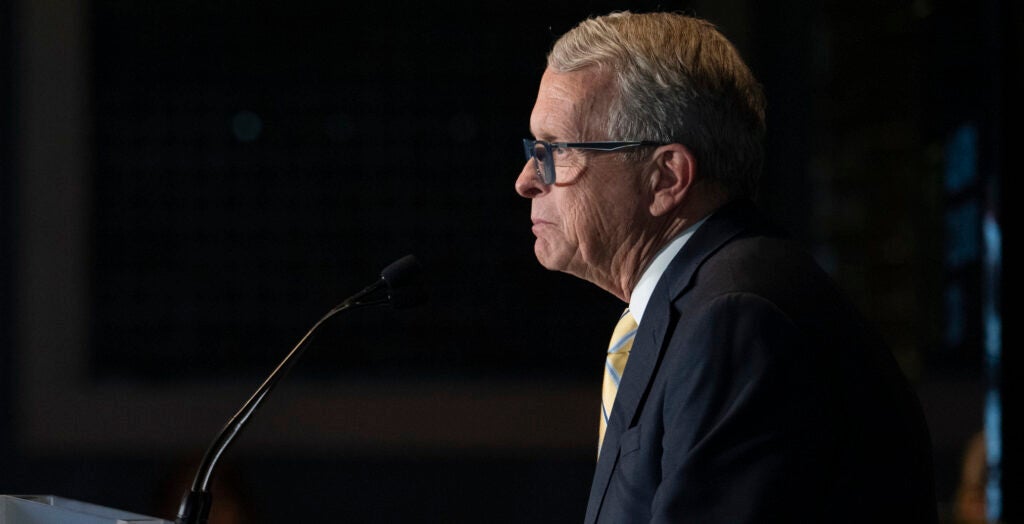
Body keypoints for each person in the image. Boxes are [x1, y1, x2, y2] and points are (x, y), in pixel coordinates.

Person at [514, 11, 937, 523]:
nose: (527, 180)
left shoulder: (735, 320)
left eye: (554, 150)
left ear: (666, 178)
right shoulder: (699, 304)